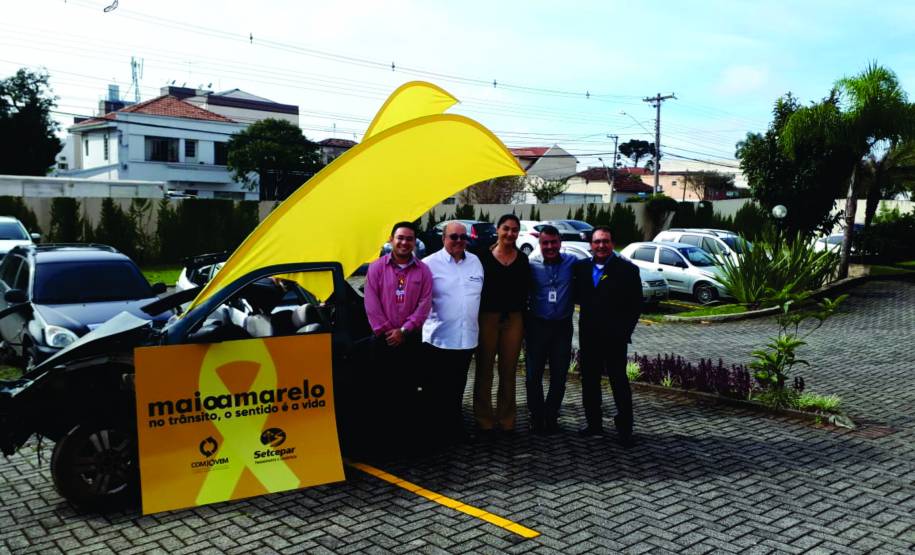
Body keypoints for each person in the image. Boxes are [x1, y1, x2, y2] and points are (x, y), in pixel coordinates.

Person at [363, 221, 433, 444]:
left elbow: (425, 304)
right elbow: (371, 303)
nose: (404, 242)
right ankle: (382, 439)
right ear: (392, 240)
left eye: (409, 239)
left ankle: (405, 439)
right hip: (382, 341)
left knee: (408, 391)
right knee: (381, 390)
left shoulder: (423, 271)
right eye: (400, 238)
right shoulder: (376, 268)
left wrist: (404, 330)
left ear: (414, 243)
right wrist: (388, 332)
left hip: (410, 340)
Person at [573, 226, 642, 446]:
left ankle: (625, 430)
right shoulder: (581, 268)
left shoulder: (628, 270)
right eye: (597, 242)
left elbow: (635, 305)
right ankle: (594, 424)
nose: (601, 246)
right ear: (591, 245)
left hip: (615, 339)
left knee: (618, 382)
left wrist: (624, 332)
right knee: (589, 382)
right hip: (589, 338)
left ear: (612, 243)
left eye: (606, 241)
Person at [421, 221, 484, 443]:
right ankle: (433, 433)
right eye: (453, 237)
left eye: (462, 237)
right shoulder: (428, 264)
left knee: (457, 388)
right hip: (438, 339)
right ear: (443, 239)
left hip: (466, 339)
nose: (459, 241)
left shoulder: (475, 262)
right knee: (435, 389)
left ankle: (454, 429)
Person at [474, 214, 530, 434]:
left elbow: (526, 291)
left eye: (514, 230)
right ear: (497, 230)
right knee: (484, 369)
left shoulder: (523, 259)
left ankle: (507, 419)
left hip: (514, 319)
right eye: (505, 228)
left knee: (509, 370)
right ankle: (483, 419)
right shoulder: (481, 258)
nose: (510, 233)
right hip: (487, 317)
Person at [525, 225, 576, 435]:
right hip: (537, 326)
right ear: (540, 243)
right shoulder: (531, 265)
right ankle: (536, 417)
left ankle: (551, 415)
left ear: (560, 242)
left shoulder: (573, 263)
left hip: (562, 327)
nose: (550, 247)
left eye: (553, 242)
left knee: (559, 375)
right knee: (532, 376)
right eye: (545, 243)